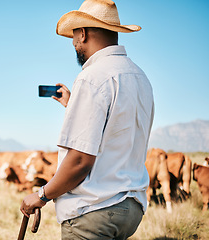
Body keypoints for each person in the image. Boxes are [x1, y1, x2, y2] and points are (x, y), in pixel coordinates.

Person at [20, 0, 154, 239]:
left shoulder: (91, 77)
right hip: (130, 209)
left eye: (73, 36)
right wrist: (74, 106)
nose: (73, 43)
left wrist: (41, 195)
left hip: (94, 210)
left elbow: (81, 159)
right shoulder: (140, 77)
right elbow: (115, 131)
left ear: (82, 33)